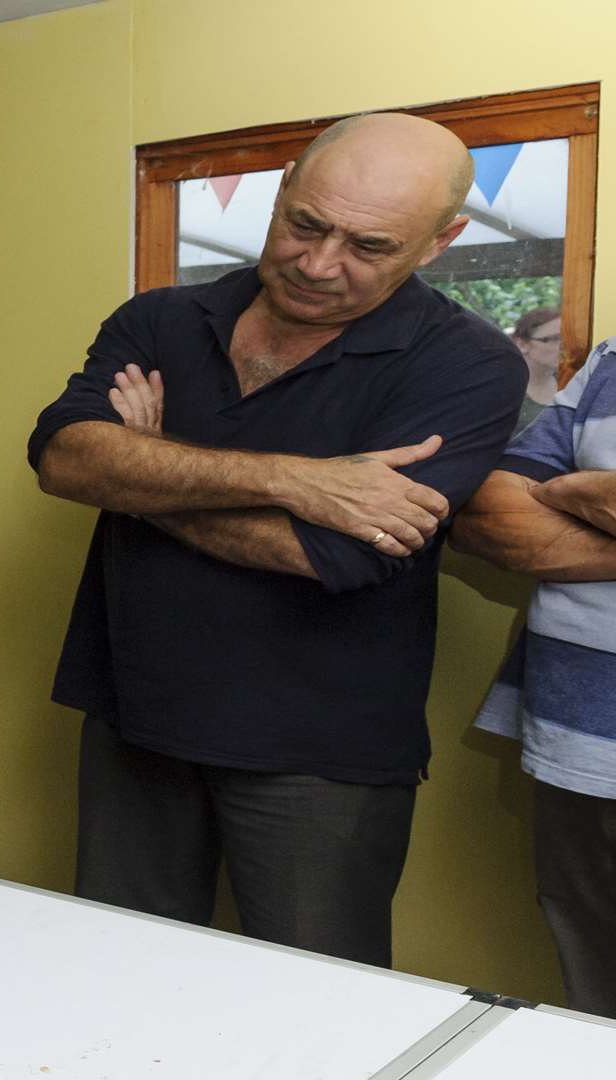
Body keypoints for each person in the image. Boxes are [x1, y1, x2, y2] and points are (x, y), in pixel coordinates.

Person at [27, 113, 524, 966]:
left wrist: (142, 478)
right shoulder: (163, 318)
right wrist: (301, 480)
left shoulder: (467, 363)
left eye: (369, 247)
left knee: (321, 1002)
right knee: (115, 973)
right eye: (305, 224)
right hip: (134, 712)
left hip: (322, 754)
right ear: (285, 185)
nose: (320, 264)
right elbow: (67, 459)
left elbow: (342, 552)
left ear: (440, 243)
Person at [451, 335, 616, 1017]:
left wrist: (575, 491)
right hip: (581, 746)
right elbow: (492, 516)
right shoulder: (611, 363)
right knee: (597, 997)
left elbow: (551, 496)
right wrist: (579, 491)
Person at [511, 306, 564, 434]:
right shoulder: (505, 390)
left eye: (565, 338)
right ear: (522, 344)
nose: (563, 345)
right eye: (554, 339)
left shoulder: (573, 384)